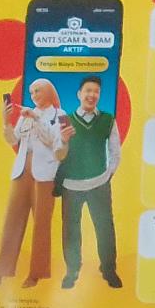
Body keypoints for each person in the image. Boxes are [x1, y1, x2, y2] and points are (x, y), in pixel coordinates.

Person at [0, 77, 70, 288]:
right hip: (22, 169)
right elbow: (13, 140)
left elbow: (54, 142)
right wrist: (6, 121)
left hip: (45, 173)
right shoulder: (26, 114)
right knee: (12, 219)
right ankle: (1, 270)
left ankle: (36, 273)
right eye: (32, 92)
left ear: (49, 92)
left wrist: (36, 118)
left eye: (38, 91)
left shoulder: (61, 115)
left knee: (41, 222)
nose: (33, 95)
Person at [58, 74, 121, 288]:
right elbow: (57, 153)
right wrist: (63, 140)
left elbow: (115, 151)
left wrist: (108, 174)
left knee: (105, 228)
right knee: (71, 230)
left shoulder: (108, 119)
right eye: (88, 91)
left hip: (99, 184)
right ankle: (72, 271)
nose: (92, 95)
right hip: (71, 186)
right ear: (79, 94)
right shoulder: (65, 120)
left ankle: (109, 270)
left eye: (96, 91)